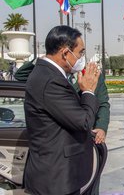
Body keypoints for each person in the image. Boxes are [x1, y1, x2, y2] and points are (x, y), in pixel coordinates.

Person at [24, 25, 101, 195]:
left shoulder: (47, 74)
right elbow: (84, 121)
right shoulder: (51, 81)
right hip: (56, 179)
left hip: (56, 175)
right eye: (80, 52)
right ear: (66, 53)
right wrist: (88, 91)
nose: (82, 57)